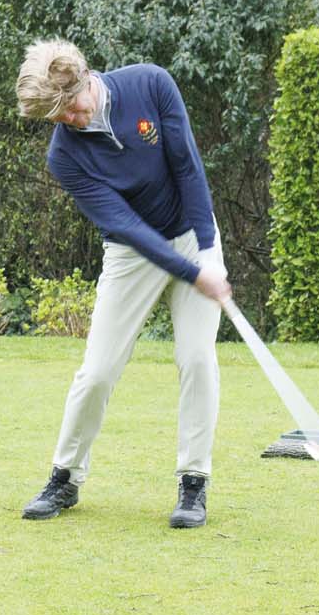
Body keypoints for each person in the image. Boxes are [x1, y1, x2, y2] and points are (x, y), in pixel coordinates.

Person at [14, 40, 232, 529]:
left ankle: (193, 482)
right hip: (130, 253)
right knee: (97, 371)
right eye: (58, 118)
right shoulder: (64, 156)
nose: (70, 120)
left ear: (85, 77)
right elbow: (126, 226)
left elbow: (188, 167)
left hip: (192, 235)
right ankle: (65, 477)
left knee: (197, 358)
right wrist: (194, 274)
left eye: (72, 107)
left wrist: (205, 252)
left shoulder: (150, 84)